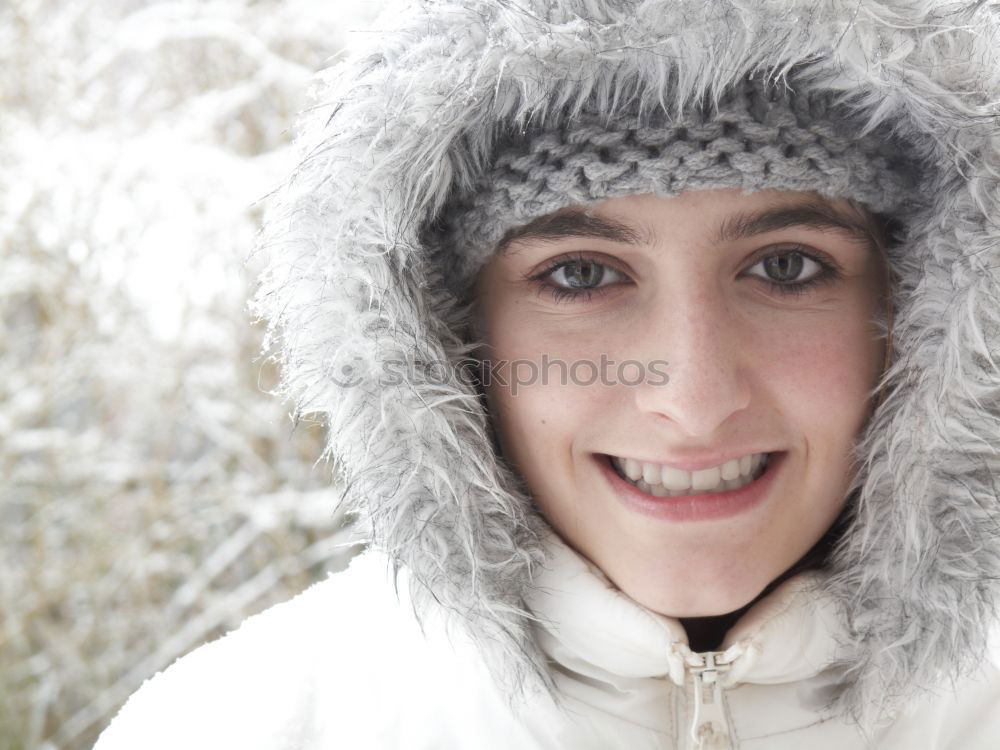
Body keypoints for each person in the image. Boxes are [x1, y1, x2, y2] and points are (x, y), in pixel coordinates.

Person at [93, 0, 1000, 748]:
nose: (692, 400)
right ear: (443, 333)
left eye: (787, 267)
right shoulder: (236, 726)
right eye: (580, 274)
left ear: (930, 307)